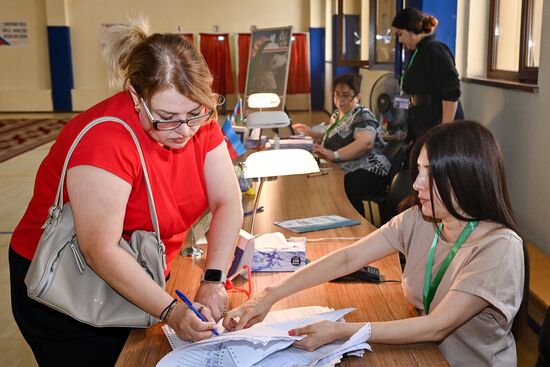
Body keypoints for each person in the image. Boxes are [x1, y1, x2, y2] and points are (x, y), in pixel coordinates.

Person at [9, 17, 243, 366]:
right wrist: (171, 310)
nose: (183, 130)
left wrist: (213, 280)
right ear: (136, 96)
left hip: (137, 272)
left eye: (195, 112)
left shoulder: (197, 122)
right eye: (166, 117)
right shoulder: (105, 139)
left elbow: (227, 202)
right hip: (71, 289)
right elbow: (99, 249)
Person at [223, 121, 529, 367]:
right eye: (419, 171)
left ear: (465, 178)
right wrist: (270, 294)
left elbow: (437, 325)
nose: (416, 184)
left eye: (431, 174)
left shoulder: (499, 247)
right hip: (422, 353)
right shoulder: (420, 218)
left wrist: (342, 331)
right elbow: (346, 259)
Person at [292, 73, 390, 217]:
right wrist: (310, 132)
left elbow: (366, 143)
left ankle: (354, 223)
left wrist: (334, 155)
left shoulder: (362, 116)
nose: (340, 100)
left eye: (345, 95)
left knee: (340, 187)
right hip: (346, 166)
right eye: (336, 94)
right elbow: (331, 137)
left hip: (369, 169)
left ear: (357, 97)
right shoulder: (338, 115)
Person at [392, 8, 464, 143]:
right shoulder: (418, 52)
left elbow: (451, 91)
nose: (400, 40)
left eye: (400, 34)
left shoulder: (435, 50)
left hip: (439, 126)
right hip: (422, 125)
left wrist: (444, 130)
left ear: (411, 30)